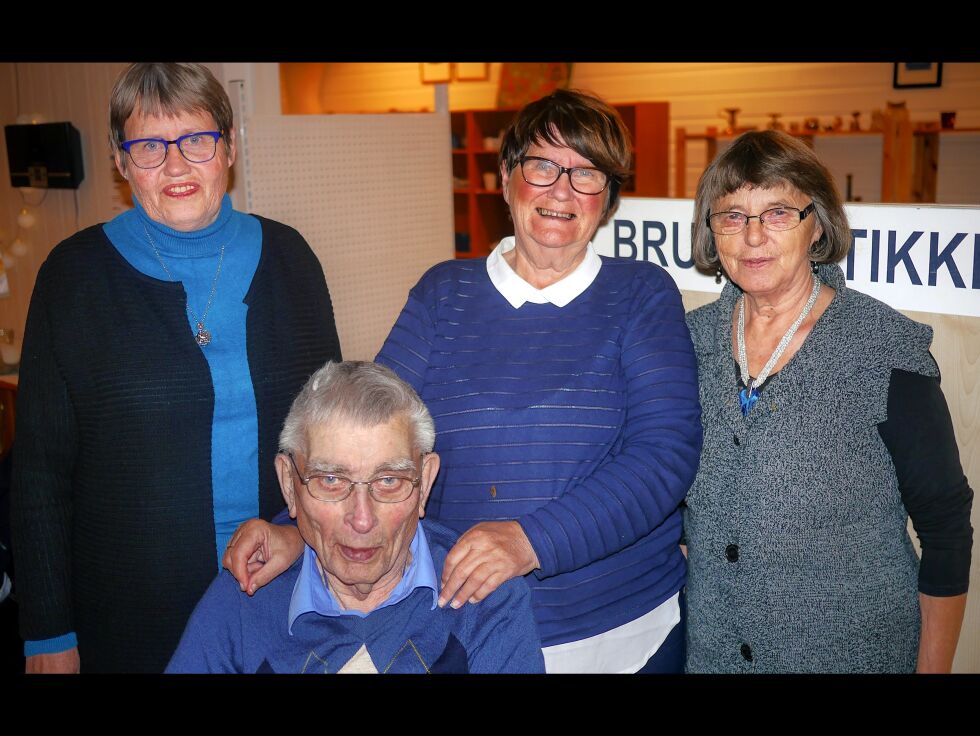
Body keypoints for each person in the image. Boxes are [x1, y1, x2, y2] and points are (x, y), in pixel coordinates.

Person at [225, 89, 703, 673]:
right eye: (543, 165)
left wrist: (529, 541)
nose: (561, 190)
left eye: (586, 174)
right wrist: (297, 530)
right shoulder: (443, 294)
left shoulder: (641, 295)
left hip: (625, 633)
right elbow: (361, 432)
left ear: (607, 199)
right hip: (472, 628)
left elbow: (664, 456)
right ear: (506, 177)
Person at [11, 63, 341, 673]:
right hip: (130, 614)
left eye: (197, 139)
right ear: (120, 160)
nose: (177, 164)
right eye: (149, 147)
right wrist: (47, 635)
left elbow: (331, 444)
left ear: (230, 147)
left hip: (278, 598)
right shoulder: (73, 277)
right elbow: (38, 476)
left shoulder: (291, 260)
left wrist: (302, 537)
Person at [684, 130, 973, 673]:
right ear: (711, 232)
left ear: (816, 223)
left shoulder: (883, 349)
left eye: (776, 213)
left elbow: (945, 528)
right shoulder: (687, 344)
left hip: (854, 654)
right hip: (715, 655)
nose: (752, 237)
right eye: (732, 215)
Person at [167, 361, 543, 673]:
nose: (362, 520)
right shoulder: (243, 599)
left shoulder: (488, 602)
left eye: (389, 480)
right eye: (331, 480)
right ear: (289, 484)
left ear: (425, 482)